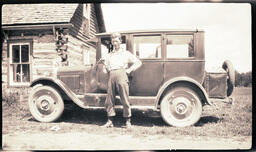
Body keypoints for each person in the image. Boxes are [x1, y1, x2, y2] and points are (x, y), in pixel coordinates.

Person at [101, 32, 142, 128]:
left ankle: (128, 121)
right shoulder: (109, 55)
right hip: (111, 75)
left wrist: (129, 70)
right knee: (109, 99)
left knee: (124, 98)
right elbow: (104, 71)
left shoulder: (126, 53)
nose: (114, 43)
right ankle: (110, 121)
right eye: (113, 41)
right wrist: (105, 65)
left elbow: (138, 62)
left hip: (122, 75)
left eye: (116, 41)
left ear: (120, 41)